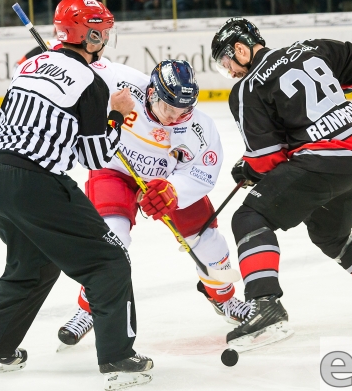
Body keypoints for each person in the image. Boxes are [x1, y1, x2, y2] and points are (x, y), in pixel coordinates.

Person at [0, 0, 153, 388]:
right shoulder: (90, 82)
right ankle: (118, 358)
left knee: (33, 265)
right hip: (36, 183)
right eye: (102, 32)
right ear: (90, 36)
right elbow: (95, 156)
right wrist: (115, 114)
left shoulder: (29, 65)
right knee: (109, 261)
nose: (106, 38)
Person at [210, 18, 352, 349]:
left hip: (322, 163)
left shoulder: (247, 89)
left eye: (226, 62)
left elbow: (268, 160)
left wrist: (249, 170)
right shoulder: (312, 48)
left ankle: (265, 306)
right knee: (329, 234)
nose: (230, 71)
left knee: (250, 217)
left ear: (240, 49)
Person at [56, 58, 252, 348]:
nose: (174, 117)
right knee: (111, 239)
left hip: (167, 182)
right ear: (151, 93)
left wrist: (174, 191)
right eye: (169, 108)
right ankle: (89, 308)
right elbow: (80, 66)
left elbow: (203, 171)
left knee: (210, 243)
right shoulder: (121, 82)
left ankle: (224, 298)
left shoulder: (200, 127)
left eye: (183, 110)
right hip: (114, 170)